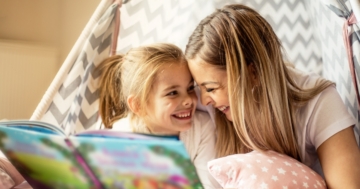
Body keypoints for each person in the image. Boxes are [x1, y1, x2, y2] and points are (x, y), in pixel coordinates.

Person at [185, 3, 360, 189]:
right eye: (199, 88)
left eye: (211, 88)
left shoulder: (318, 102)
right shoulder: (204, 104)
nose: (203, 100)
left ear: (253, 74)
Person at [97, 43, 220, 189]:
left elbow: (209, 185)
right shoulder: (123, 134)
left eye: (190, 88)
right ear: (138, 105)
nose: (188, 100)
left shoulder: (202, 129)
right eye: (172, 93)